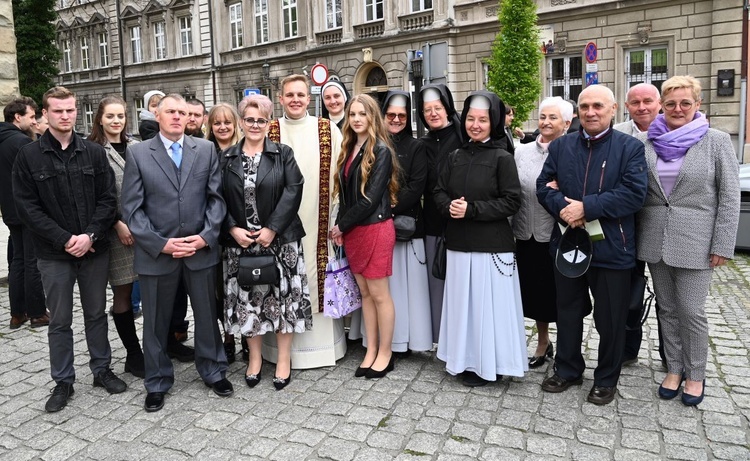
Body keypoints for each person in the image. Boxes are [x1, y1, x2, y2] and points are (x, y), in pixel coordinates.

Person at [13, 86, 126, 412]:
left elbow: (107, 199)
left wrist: (89, 235)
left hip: (94, 249)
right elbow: (27, 208)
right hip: (53, 254)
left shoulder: (92, 152)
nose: (65, 116)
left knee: (95, 314)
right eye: (58, 111)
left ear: (77, 112)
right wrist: (66, 238)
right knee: (60, 320)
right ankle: (63, 381)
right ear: (45, 114)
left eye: (70, 110)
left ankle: (101, 370)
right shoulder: (29, 156)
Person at [536, 84, 648, 405]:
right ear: (577, 112)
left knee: (610, 318)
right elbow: (543, 186)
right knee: (568, 311)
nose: (590, 112)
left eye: (598, 106)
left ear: (613, 110)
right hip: (569, 243)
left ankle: (606, 378)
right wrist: (564, 207)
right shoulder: (561, 146)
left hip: (613, 247)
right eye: (584, 106)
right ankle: (568, 368)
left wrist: (587, 207)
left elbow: (633, 194)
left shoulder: (630, 148)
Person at [121, 94, 232, 413]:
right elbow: (132, 208)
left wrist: (204, 237)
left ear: (189, 118)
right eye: (170, 111)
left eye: (182, 113)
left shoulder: (206, 149)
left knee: (207, 316)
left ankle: (213, 370)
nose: (176, 117)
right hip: (158, 254)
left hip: (199, 251)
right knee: (155, 321)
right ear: (157, 114)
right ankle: (156, 381)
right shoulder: (139, 153)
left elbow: (216, 200)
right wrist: (160, 243)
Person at [636, 76, 740, 406]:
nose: (677, 109)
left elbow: (729, 196)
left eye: (685, 103)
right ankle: (675, 368)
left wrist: (723, 243)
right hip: (655, 238)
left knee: (691, 311)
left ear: (697, 104)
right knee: (666, 309)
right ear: (661, 107)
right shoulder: (649, 143)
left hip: (697, 240)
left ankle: (696, 374)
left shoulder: (716, 141)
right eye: (670, 104)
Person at [433, 91, 525, 387]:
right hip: (459, 243)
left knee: (490, 309)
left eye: (482, 120)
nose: (475, 125)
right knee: (464, 307)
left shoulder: (502, 157)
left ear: (493, 122)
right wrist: (449, 206)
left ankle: (492, 363)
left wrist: (472, 210)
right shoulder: (454, 156)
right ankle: (464, 359)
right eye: (471, 119)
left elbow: (512, 201)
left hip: (491, 245)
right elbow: (438, 191)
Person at [222, 94, 312, 390]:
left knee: (285, 301)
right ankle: (255, 360)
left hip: (281, 240)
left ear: (269, 123)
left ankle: (284, 359)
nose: (255, 125)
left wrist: (272, 228)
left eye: (262, 120)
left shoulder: (282, 153)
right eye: (250, 119)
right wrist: (232, 228)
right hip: (241, 245)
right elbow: (216, 198)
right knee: (248, 302)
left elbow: (294, 188)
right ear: (241, 121)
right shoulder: (227, 158)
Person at [265, 74, 347, 368]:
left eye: (301, 94)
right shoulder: (269, 129)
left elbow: (341, 175)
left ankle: (324, 348)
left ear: (308, 98)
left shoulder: (326, 130)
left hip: (320, 221)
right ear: (281, 99)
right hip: (276, 224)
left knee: (315, 272)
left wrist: (337, 218)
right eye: (290, 95)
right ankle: (278, 351)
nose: (296, 100)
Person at [330, 94, 400, 378]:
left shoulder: (381, 150)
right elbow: (347, 196)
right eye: (353, 114)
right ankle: (371, 350)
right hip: (354, 231)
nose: (357, 119)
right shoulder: (349, 147)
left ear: (372, 117)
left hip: (375, 228)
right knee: (366, 296)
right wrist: (342, 227)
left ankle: (386, 353)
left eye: (363, 114)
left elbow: (370, 199)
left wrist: (340, 226)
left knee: (380, 295)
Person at [512, 97, 573, 368]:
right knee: (536, 294)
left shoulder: (573, 152)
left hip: (559, 236)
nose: (546, 122)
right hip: (526, 233)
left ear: (567, 123)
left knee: (562, 294)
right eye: (543, 116)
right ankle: (543, 341)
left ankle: (569, 348)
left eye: (553, 118)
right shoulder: (521, 152)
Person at [87, 96, 145, 378]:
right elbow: (95, 196)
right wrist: (117, 223)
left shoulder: (137, 147)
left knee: (154, 290)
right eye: (110, 116)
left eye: (120, 115)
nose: (116, 121)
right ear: (100, 118)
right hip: (115, 234)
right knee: (123, 292)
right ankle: (134, 355)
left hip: (144, 230)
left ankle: (160, 346)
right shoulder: (92, 149)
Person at [613, 82, 664, 367]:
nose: (642, 107)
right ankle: (628, 350)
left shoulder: (674, 133)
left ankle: (671, 355)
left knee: (667, 298)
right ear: (626, 106)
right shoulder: (618, 133)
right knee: (629, 292)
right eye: (635, 102)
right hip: (625, 225)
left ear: (658, 103)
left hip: (660, 224)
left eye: (647, 101)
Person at [417, 84, 464, 343]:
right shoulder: (421, 143)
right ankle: (440, 338)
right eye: (427, 110)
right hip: (432, 223)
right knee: (436, 284)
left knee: (459, 287)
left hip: (460, 221)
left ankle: (458, 338)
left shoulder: (461, 137)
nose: (433, 114)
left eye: (437, 108)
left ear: (447, 108)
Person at [0, 97, 48, 329]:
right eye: (31, 116)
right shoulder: (20, 142)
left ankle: (17, 314)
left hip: (9, 210)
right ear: (17, 117)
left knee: (17, 261)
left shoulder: (2, 139)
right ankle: (38, 313)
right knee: (32, 261)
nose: (34, 120)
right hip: (27, 209)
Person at [206, 101, 243, 363]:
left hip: (240, 230)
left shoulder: (244, 150)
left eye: (227, 122)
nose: (222, 127)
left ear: (235, 124)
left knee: (243, 286)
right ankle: (228, 338)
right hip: (214, 232)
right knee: (219, 291)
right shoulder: (203, 151)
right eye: (217, 122)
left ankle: (249, 339)